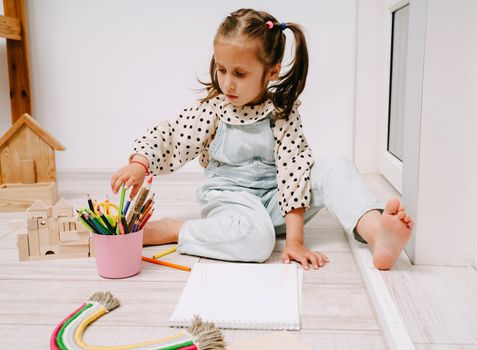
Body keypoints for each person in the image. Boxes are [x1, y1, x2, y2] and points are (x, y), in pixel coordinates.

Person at [111, 8, 413, 271]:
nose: (227, 82)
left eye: (240, 73)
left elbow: (293, 170)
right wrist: (140, 163)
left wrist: (294, 241)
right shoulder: (214, 109)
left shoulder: (281, 112)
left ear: (272, 72)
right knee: (258, 242)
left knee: (335, 166)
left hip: (276, 200)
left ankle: (377, 234)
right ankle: (174, 230)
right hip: (231, 200)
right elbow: (172, 134)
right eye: (222, 69)